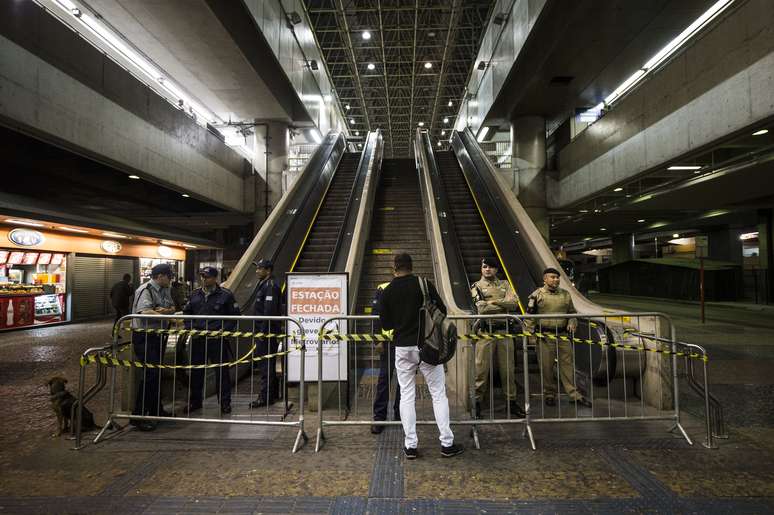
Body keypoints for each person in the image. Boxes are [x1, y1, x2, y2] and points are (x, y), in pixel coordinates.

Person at [378, 253, 463, 459]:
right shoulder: (423, 284)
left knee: (406, 395)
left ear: (394, 268)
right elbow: (442, 311)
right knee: (438, 393)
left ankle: (411, 446)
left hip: (402, 348)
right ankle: (446, 443)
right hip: (427, 346)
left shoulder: (387, 291)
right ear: (411, 266)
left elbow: (386, 324)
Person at [525, 267, 592, 408]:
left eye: (557, 277)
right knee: (546, 367)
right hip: (544, 336)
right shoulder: (536, 295)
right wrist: (530, 336)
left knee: (567, 366)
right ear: (545, 279)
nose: (556, 280)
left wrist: (572, 321)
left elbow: (572, 312)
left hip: (562, 336)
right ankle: (549, 394)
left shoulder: (565, 295)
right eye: (552, 277)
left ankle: (574, 395)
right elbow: (529, 317)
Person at [471, 258, 525, 418]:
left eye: (491, 267)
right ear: (481, 269)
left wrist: (493, 302)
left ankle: (511, 402)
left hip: (505, 333)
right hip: (486, 333)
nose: (487, 269)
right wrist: (503, 304)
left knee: (508, 370)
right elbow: (481, 308)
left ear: (496, 270)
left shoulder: (505, 284)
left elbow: (515, 303)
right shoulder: (476, 286)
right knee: (481, 370)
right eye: (484, 266)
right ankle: (477, 402)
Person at [182, 266, 239, 415]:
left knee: (222, 373)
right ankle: (195, 401)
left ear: (215, 278)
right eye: (202, 276)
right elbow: (187, 313)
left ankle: (225, 403)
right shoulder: (195, 294)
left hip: (217, 340)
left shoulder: (226, 295)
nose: (203, 279)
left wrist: (225, 330)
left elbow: (235, 316)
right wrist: (190, 327)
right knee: (196, 372)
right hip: (198, 339)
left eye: (206, 277)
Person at [130, 263, 176, 431]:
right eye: (169, 276)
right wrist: (164, 315)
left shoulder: (165, 289)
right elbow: (144, 311)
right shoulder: (146, 290)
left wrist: (164, 312)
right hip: (145, 337)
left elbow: (172, 307)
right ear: (160, 276)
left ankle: (157, 410)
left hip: (158, 336)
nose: (171, 279)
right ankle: (139, 415)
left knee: (157, 374)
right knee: (150, 374)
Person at [250, 259, 282, 408]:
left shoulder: (270, 286)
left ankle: (265, 397)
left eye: (260, 269)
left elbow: (269, 311)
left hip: (267, 332)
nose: (257, 271)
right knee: (266, 364)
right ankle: (272, 393)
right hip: (264, 331)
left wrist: (262, 332)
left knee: (265, 366)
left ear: (268, 270)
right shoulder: (264, 284)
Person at [370, 281, 401, 434]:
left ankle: (400, 415)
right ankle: (379, 418)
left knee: (404, 381)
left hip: (404, 341)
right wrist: (378, 340)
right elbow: (376, 316)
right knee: (384, 379)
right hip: (388, 343)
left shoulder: (410, 285)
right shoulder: (382, 287)